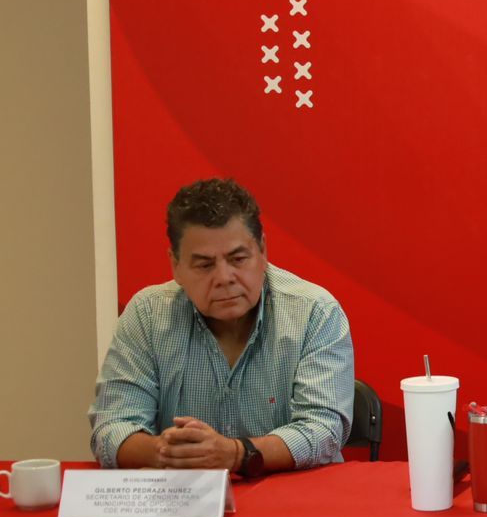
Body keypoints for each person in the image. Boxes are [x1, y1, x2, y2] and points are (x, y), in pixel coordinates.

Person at [89, 178, 354, 478]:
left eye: (238, 259)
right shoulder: (147, 315)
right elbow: (111, 427)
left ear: (263, 251)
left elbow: (323, 429)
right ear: (175, 266)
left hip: (292, 497)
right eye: (205, 265)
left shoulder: (314, 312)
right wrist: (169, 451)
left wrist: (237, 454)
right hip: (185, 497)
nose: (224, 277)